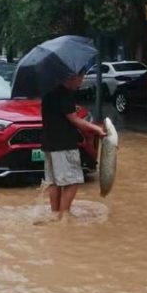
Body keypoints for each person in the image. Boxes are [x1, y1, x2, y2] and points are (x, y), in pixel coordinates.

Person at [38, 71, 107, 224]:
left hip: (49, 144)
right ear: (71, 76)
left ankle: (55, 214)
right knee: (72, 181)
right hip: (64, 145)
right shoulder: (65, 94)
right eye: (81, 77)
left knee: (54, 181)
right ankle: (64, 216)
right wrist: (97, 129)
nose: (81, 82)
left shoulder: (49, 92)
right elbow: (75, 120)